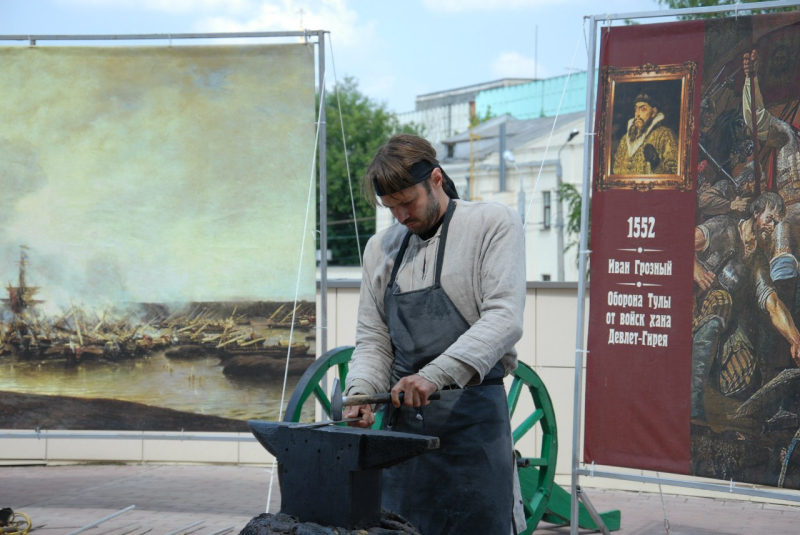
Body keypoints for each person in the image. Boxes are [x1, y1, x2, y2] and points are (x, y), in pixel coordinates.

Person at [343, 134, 526, 534]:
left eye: (408, 202)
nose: (401, 216)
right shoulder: (381, 249)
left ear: (437, 179)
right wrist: (360, 391)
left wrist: (434, 375)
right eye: (391, 208)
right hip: (402, 439)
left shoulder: (492, 224)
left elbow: (503, 318)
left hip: (473, 429)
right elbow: (373, 340)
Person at [692, 192, 800, 421]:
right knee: (722, 299)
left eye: (777, 222)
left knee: (744, 377)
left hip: (723, 327)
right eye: (770, 218)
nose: (773, 226)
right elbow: (676, 241)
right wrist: (695, 268)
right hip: (692, 309)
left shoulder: (757, 260)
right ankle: (692, 400)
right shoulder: (723, 227)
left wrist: (795, 339)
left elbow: (772, 303)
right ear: (756, 212)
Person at [613, 92, 679, 175]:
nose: (638, 114)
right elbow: (616, 169)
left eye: (643, 109)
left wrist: (656, 164)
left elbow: (674, 170)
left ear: (653, 112)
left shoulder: (664, 134)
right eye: (636, 109)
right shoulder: (624, 140)